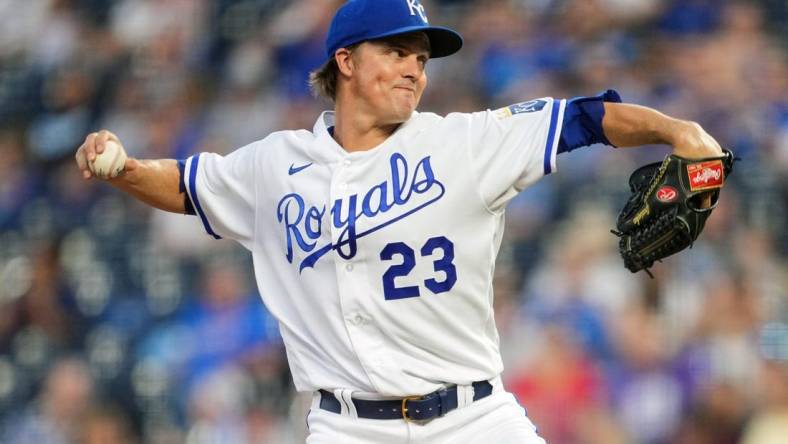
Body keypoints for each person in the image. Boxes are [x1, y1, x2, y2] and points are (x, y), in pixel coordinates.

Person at [74, 0, 724, 442]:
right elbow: (189, 185)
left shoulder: (464, 142)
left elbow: (587, 117)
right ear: (346, 62)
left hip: (473, 418)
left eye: (421, 55)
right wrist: (125, 168)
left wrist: (682, 131)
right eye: (396, 51)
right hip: (347, 427)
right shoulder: (274, 166)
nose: (415, 66)